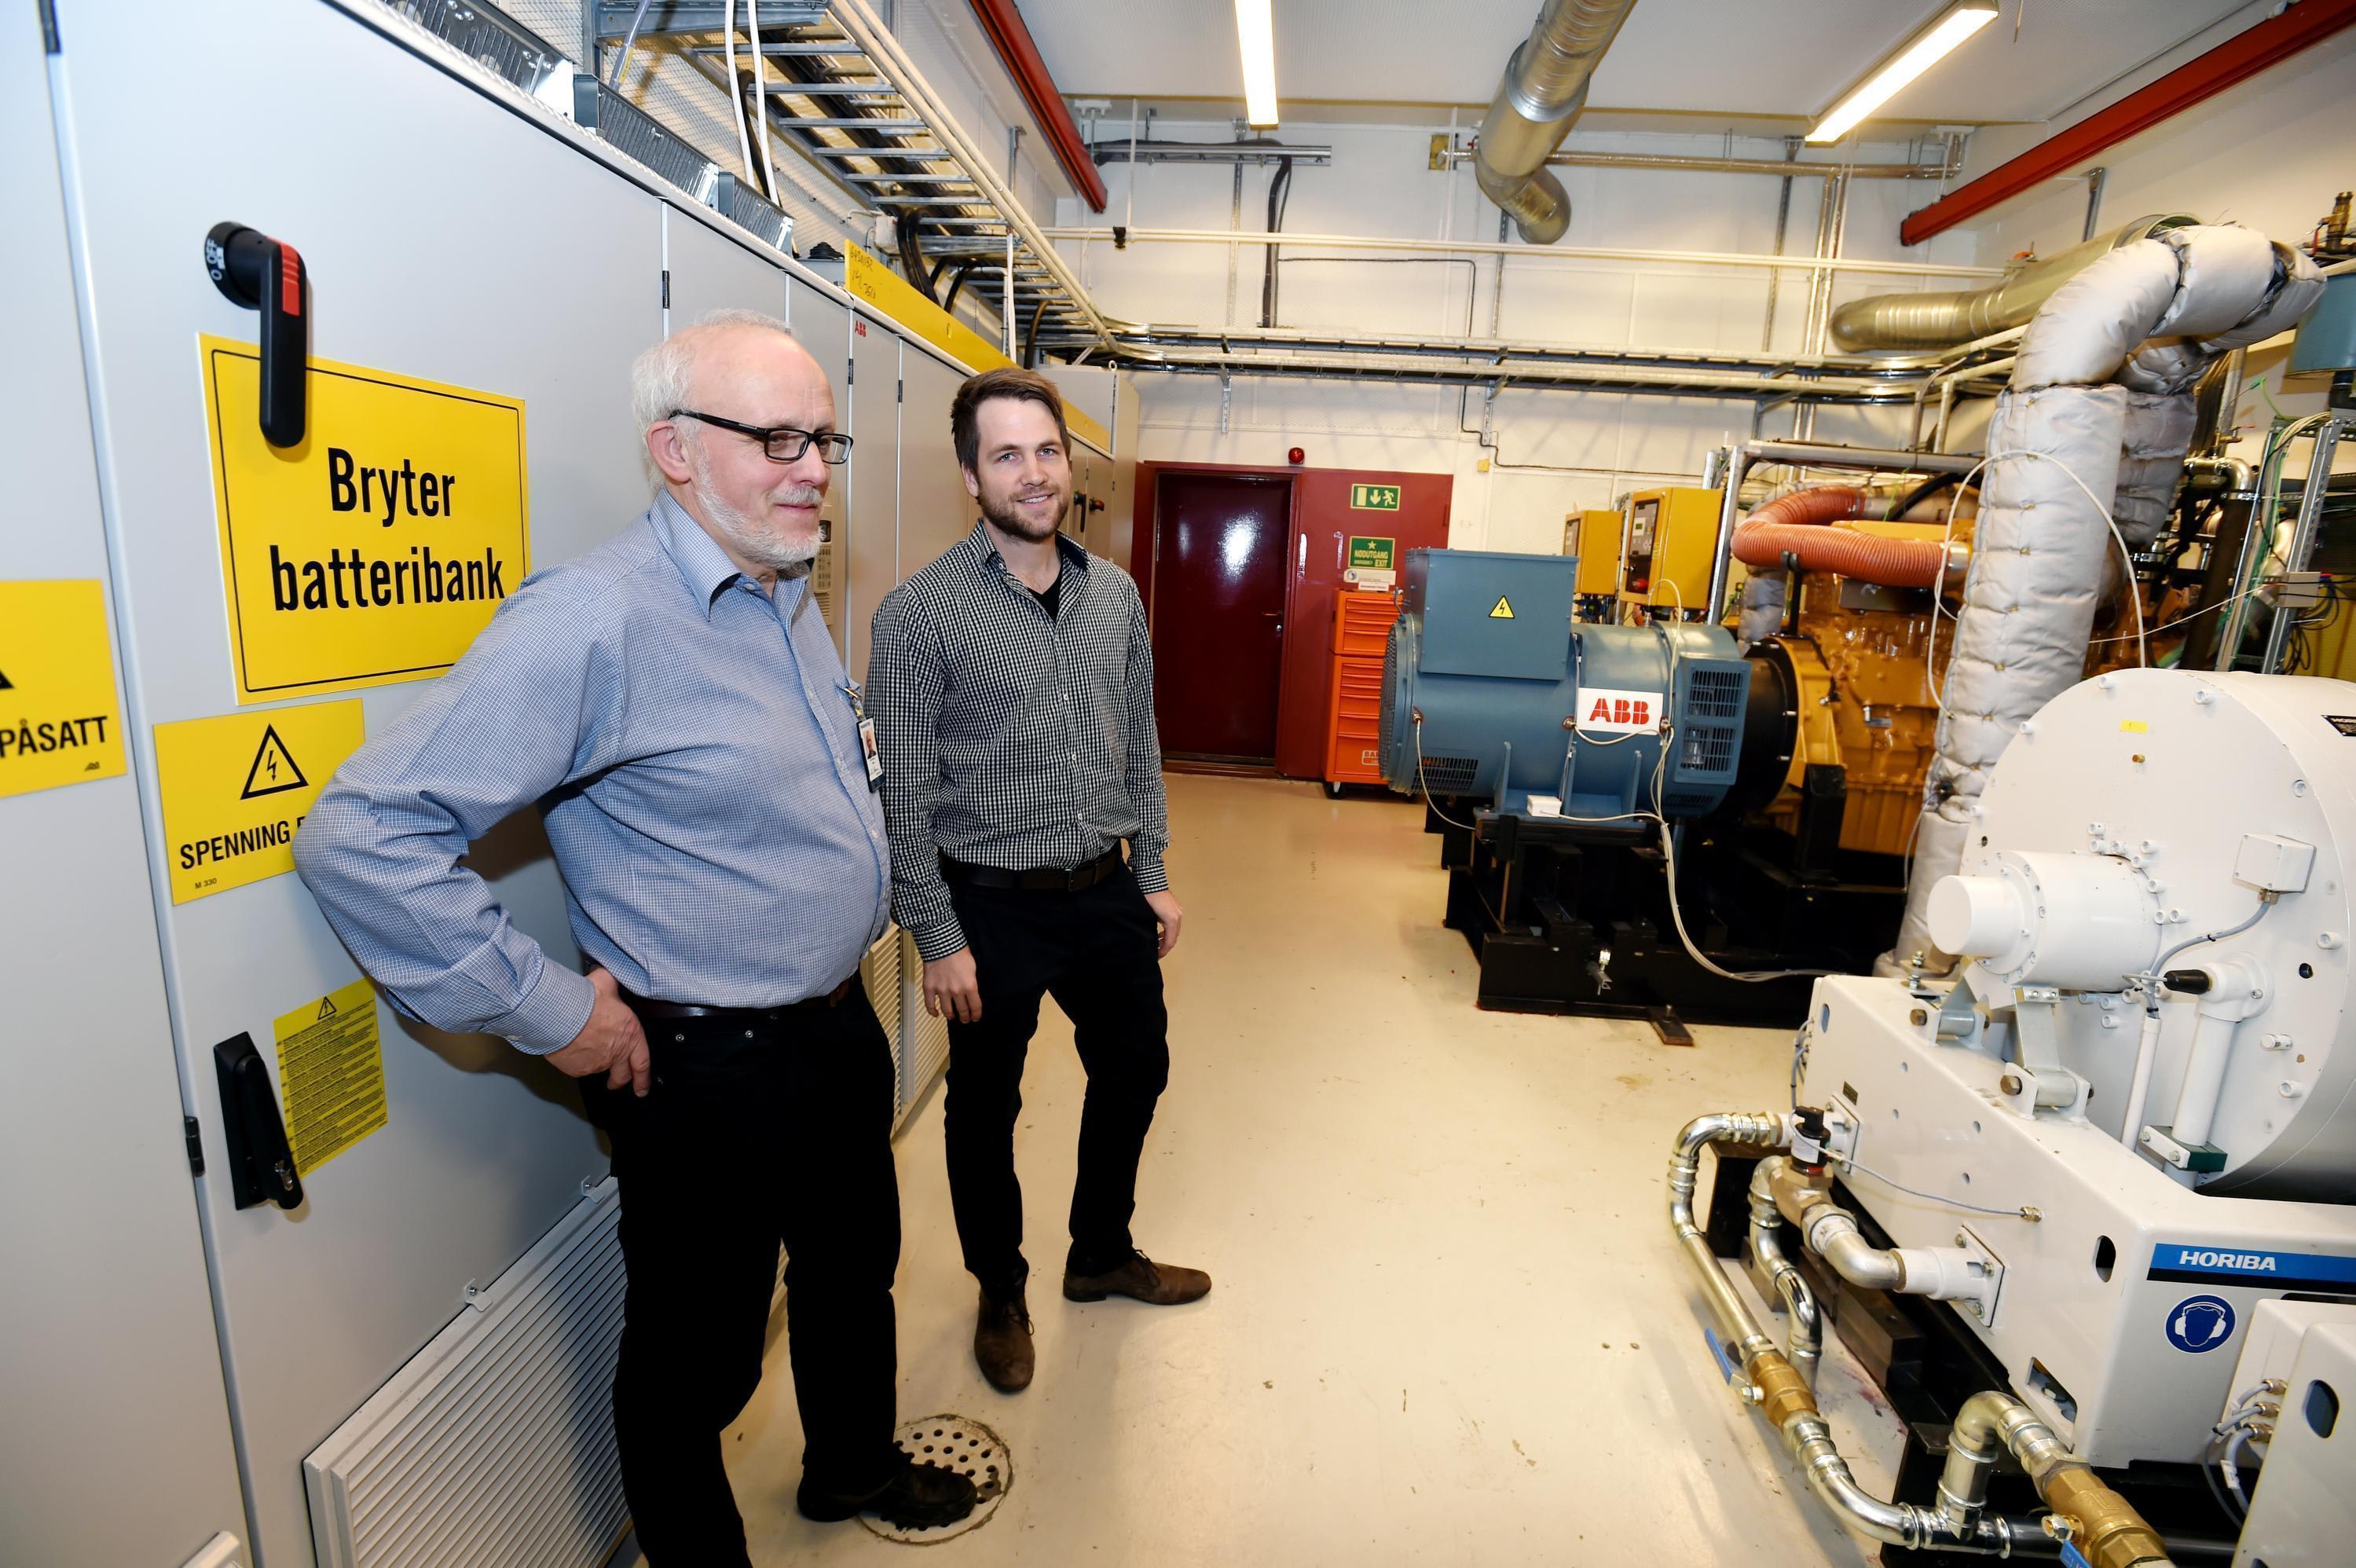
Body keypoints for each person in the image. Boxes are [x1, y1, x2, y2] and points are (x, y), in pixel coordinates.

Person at [294, 310, 976, 1563]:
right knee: (693, 1367)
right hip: (706, 1071)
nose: (813, 470)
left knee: (850, 1273)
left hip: (834, 1032)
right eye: (776, 439)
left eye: (823, 439)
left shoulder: (785, 588)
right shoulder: (594, 619)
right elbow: (364, 833)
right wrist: (552, 1012)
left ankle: (851, 1468)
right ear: (676, 449)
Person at [866, 366, 1210, 1398]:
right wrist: (937, 936)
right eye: (1007, 455)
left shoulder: (1114, 595)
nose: (1034, 472)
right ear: (972, 478)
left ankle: (1099, 1251)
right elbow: (904, 794)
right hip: (989, 906)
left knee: (1137, 1067)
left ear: (1068, 464)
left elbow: (1139, 739)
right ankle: (1000, 1290)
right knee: (983, 1109)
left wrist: (1151, 871)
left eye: (1047, 450)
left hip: (1104, 890)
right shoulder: (919, 614)